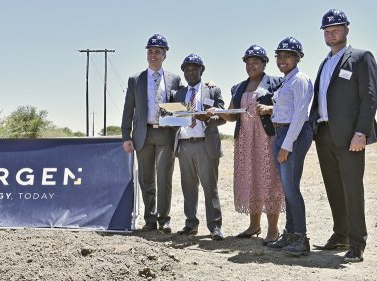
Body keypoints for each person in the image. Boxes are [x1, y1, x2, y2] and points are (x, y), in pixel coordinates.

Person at [309, 9, 377, 263]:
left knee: (352, 189)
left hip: (350, 136)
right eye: (327, 30)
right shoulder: (325, 62)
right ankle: (340, 235)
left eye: (336, 29)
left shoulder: (361, 58)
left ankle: (357, 243)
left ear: (346, 30)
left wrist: (361, 131)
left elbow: (369, 97)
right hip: (324, 134)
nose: (331, 33)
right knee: (334, 188)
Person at [219, 45, 284, 246]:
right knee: (251, 179)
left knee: (270, 181)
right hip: (245, 139)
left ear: (265, 63)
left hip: (267, 138)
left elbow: (285, 107)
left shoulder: (275, 83)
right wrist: (215, 110)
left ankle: (273, 229)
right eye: (247, 63)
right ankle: (254, 225)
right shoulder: (239, 87)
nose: (251, 66)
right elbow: (231, 116)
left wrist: (271, 109)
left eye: (255, 62)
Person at [121, 34, 182, 233]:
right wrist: (126, 136)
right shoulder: (135, 79)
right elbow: (128, 109)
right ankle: (150, 219)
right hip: (142, 135)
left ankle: (164, 219)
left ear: (164, 55)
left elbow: (184, 100)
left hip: (165, 134)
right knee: (146, 179)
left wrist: (209, 85)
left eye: (157, 52)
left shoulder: (174, 79)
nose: (153, 55)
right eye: (150, 51)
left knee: (164, 178)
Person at [258, 37, 313, 256]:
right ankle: (290, 233)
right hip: (281, 133)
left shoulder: (300, 79)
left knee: (291, 188)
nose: (282, 59)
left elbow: (300, 114)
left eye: (288, 55)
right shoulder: (286, 81)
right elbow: (285, 109)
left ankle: (301, 238)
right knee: (287, 188)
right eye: (279, 56)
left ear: (298, 57)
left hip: (294, 135)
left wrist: (287, 145)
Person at [171, 54, 225, 240]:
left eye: (194, 68)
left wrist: (210, 117)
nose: (190, 71)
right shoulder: (177, 94)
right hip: (184, 145)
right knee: (188, 187)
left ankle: (215, 227)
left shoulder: (213, 90)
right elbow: (170, 117)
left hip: (205, 144)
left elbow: (223, 116)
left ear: (202, 70)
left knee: (210, 188)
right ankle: (191, 224)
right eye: (187, 69)